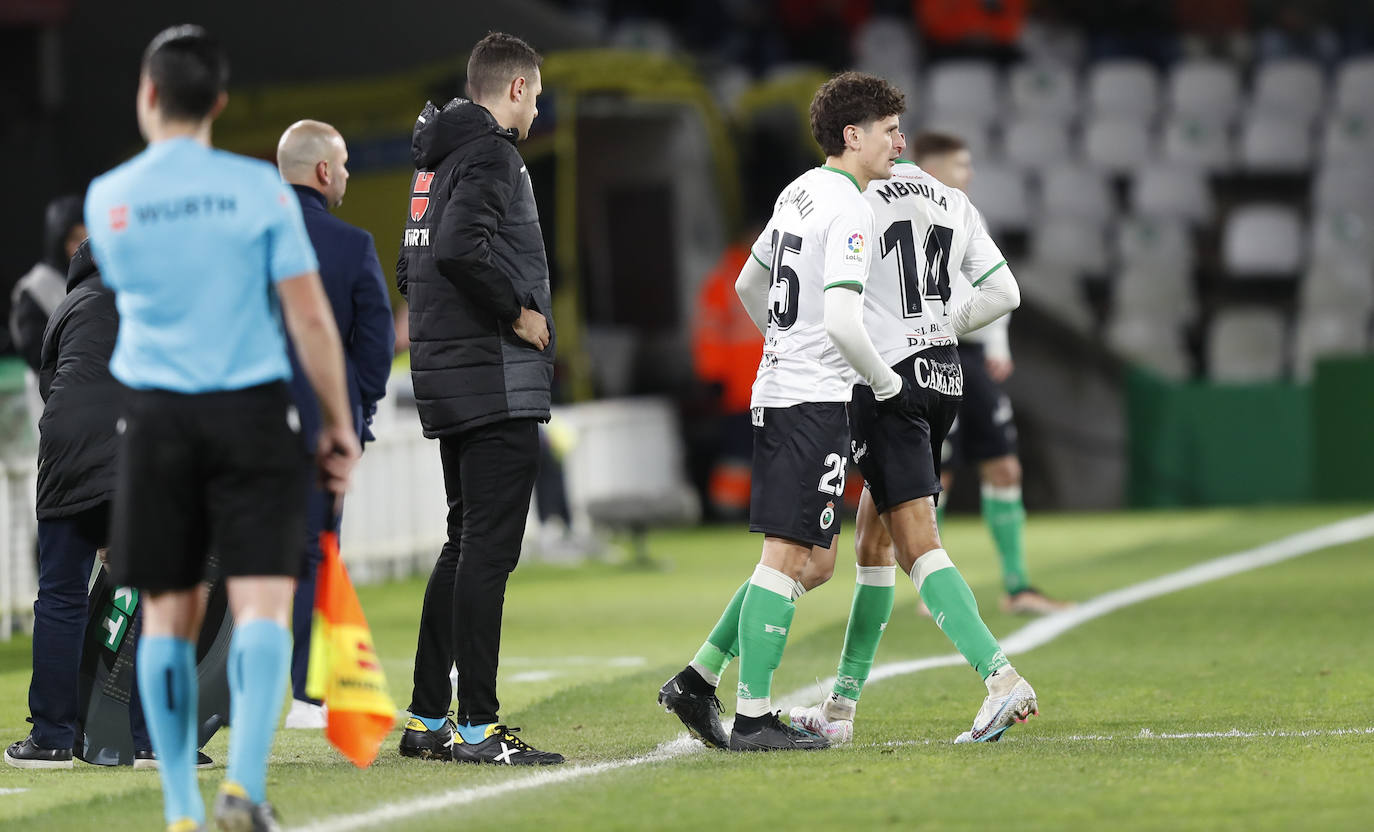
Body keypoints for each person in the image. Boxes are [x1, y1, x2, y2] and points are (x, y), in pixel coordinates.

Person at [83, 25, 359, 832]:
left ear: (147, 95)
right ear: (222, 104)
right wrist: (337, 426)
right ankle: (241, 790)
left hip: (157, 419)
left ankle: (178, 808)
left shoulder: (109, 198)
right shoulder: (260, 191)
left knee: (165, 619)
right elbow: (310, 320)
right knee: (265, 607)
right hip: (251, 414)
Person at [659, 71, 908, 752]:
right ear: (853, 135)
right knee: (786, 555)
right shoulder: (853, 207)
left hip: (785, 389)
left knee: (817, 562)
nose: (900, 142)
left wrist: (782, 347)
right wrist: (888, 386)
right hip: (813, 399)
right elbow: (843, 322)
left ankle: (698, 676)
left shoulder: (799, 190)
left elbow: (749, 282)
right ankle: (754, 717)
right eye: (889, 130)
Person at [788, 136, 1036, 745]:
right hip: (945, 373)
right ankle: (841, 710)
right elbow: (1006, 293)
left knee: (915, 542)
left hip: (886, 380)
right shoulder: (950, 198)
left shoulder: (858, 196)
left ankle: (1000, 679)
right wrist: (938, 326)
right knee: (872, 543)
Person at [395, 31, 561, 766]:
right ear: (518, 88)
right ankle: (477, 727)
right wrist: (518, 313)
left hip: (447, 376)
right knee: (487, 553)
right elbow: (462, 250)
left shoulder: (435, 161)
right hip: (494, 378)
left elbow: (412, 266)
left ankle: (429, 717)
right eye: (538, 92)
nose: (538, 107)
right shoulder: (493, 153)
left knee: (462, 545)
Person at [4, 240, 159, 769]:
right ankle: (146, 739)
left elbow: (52, 384)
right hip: (133, 441)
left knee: (60, 597)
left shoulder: (67, 307)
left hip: (65, 446)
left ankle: (50, 737)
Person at [913, 131, 1071, 616]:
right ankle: (929, 587)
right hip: (931, 352)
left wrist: (998, 342)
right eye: (961, 164)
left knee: (1003, 463)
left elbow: (994, 282)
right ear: (934, 168)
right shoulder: (903, 212)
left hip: (974, 356)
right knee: (936, 473)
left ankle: (1017, 585)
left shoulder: (964, 211)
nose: (970, 173)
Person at [274, 119, 395, 730]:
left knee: (230, 556)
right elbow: (374, 348)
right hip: (322, 429)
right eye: (343, 165)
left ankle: (218, 694)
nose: (345, 175)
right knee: (315, 552)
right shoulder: (350, 246)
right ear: (324, 172)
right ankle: (304, 695)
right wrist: (357, 411)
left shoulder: (247, 240)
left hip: (239, 423)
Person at [8, 195, 87, 424]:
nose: (81, 245)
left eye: (86, 235)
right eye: (74, 238)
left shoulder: (101, 276)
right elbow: (36, 354)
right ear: (57, 240)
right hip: (56, 411)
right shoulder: (34, 288)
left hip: (100, 405)